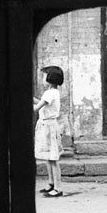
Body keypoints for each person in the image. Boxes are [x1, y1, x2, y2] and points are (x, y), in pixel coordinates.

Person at [33, 65, 64, 198]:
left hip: (48, 126)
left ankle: (57, 187)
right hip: (48, 125)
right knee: (49, 157)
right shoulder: (54, 92)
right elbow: (41, 103)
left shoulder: (49, 93)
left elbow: (37, 107)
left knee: (53, 158)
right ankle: (51, 183)